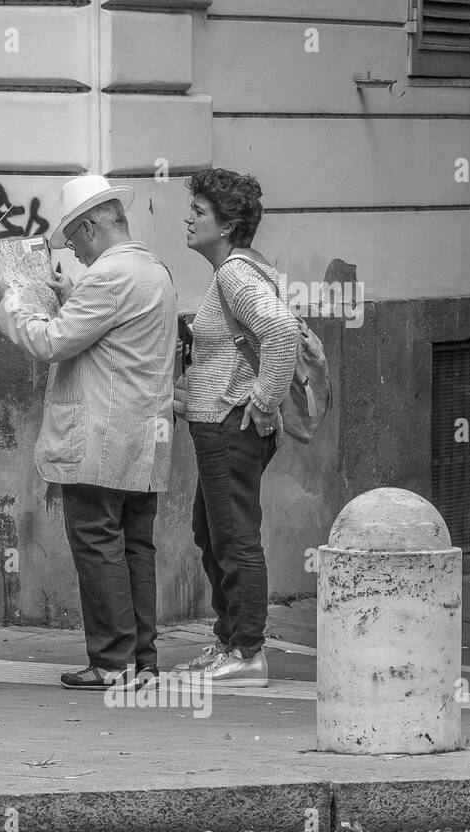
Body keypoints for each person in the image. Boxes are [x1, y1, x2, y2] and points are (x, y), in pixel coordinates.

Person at [0, 175, 177, 690]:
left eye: (72, 241)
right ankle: (143, 662)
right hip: (144, 440)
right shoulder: (153, 270)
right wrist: (72, 295)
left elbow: (51, 342)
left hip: (100, 438)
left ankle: (111, 663)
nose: (72, 251)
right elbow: (116, 335)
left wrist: (10, 302)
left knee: (97, 544)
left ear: (91, 227)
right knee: (134, 547)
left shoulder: (109, 277)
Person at [175, 169, 299, 686]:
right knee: (211, 530)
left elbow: (282, 332)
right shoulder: (240, 269)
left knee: (234, 539)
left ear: (225, 226)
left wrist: (263, 399)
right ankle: (230, 642)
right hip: (221, 425)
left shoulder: (234, 274)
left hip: (231, 428)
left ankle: (247, 652)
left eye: (199, 211)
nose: (189, 217)